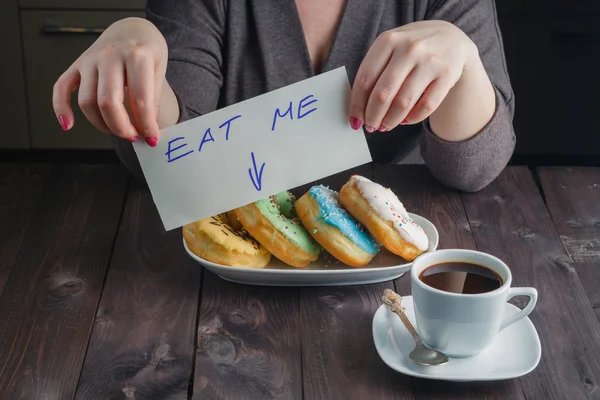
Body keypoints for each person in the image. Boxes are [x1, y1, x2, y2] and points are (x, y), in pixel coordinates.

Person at [52, 0, 515, 192]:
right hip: (229, 281)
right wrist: (136, 60)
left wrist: (464, 59)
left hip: (406, 269)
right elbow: (166, 159)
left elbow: (473, 170)